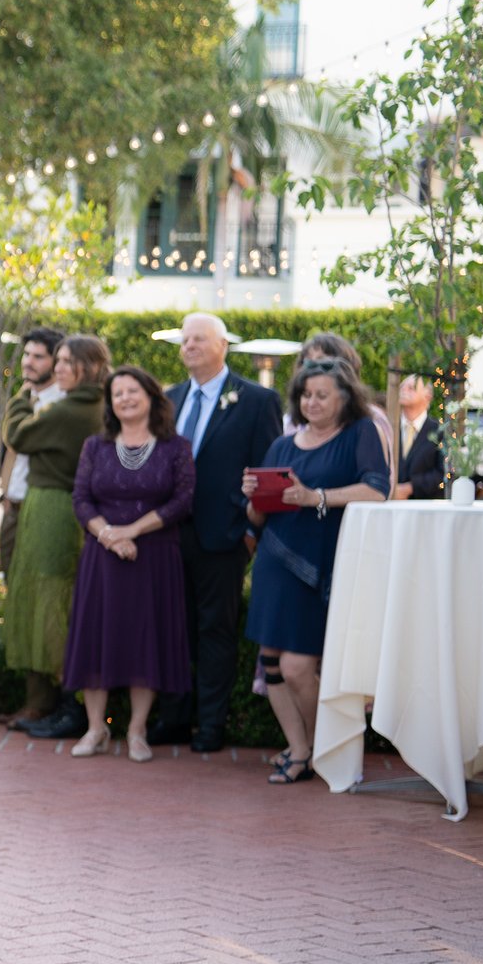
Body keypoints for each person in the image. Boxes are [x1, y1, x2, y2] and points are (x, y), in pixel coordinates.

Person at [245, 360, 389, 786]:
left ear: (344, 397)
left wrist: (316, 497)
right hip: (275, 560)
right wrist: (252, 496)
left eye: (322, 394)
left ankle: (321, 745)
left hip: (324, 564)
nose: (312, 402)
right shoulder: (282, 445)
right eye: (306, 394)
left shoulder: (360, 433)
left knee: (297, 667)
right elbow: (256, 517)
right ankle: (302, 748)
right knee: (272, 662)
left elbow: (377, 489)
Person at [144, 314, 283, 754]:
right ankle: (174, 719)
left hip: (222, 538)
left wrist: (249, 530)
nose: (189, 346)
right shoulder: (170, 398)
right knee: (171, 629)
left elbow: (266, 469)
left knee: (215, 633)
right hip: (169, 534)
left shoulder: (257, 400)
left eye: (199, 339)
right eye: (185, 340)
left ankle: (210, 726)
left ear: (223, 344)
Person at [63, 367, 196, 762]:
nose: (124, 398)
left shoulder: (176, 447)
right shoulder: (95, 446)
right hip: (102, 559)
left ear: (152, 396)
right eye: (117, 393)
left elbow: (182, 501)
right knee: (95, 638)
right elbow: (81, 500)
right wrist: (109, 536)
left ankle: (136, 730)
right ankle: (95, 729)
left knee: (145, 640)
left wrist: (131, 532)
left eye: (132, 391)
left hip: (154, 557)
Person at [0, 335, 107, 740]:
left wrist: (23, 400)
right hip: (46, 507)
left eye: (66, 362)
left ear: (89, 367)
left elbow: (20, 436)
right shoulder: (78, 404)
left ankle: (69, 706)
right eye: (57, 361)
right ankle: (51, 703)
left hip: (56, 512)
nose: (59, 368)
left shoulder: (76, 408)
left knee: (51, 606)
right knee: (44, 602)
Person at [0, 327, 65, 579]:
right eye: (26, 354)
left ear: (56, 363)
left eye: (38, 356)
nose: (28, 362)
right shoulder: (23, 399)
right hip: (13, 507)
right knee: (10, 579)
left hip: (44, 509)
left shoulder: (62, 406)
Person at [392, 376, 445, 502]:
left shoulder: (440, 431)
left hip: (426, 508)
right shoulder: (389, 427)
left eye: (411, 388)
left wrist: (410, 487)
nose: (404, 391)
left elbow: (443, 472)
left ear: (427, 396)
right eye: (402, 387)